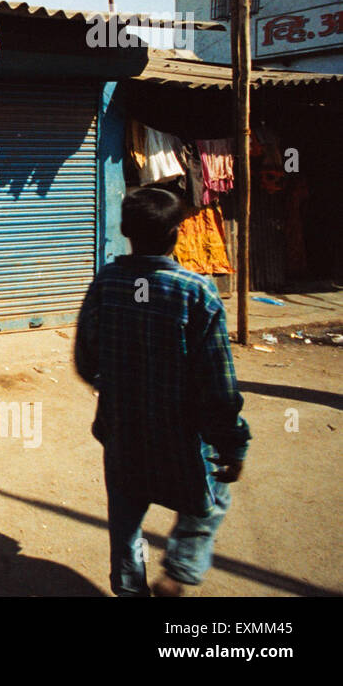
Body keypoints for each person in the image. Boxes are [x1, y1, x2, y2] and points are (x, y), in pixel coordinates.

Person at [74, 187, 250, 597]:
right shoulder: (196, 291)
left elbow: (86, 360)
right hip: (183, 437)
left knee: (126, 518)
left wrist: (115, 384)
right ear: (176, 233)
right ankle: (178, 573)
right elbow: (219, 386)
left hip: (122, 431)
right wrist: (233, 445)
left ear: (124, 230)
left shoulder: (107, 282)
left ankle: (131, 588)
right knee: (209, 501)